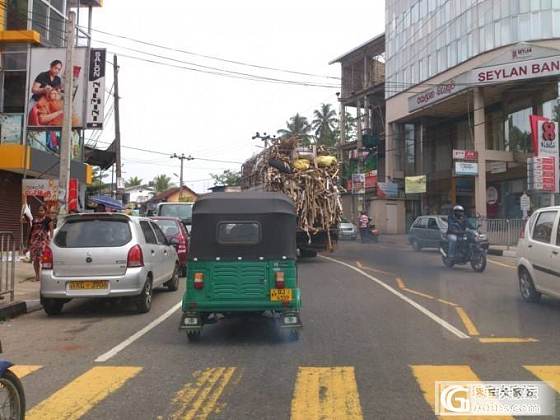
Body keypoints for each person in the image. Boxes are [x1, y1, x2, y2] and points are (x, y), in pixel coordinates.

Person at [24, 205, 54, 282]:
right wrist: (28, 243)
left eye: (42, 210)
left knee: (44, 260)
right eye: (39, 210)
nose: (40, 212)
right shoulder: (34, 220)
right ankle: (37, 276)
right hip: (34, 242)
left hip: (43, 242)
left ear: (45, 211)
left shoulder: (48, 220)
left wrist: (50, 240)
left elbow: (51, 231)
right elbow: (31, 231)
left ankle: (45, 276)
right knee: (35, 260)